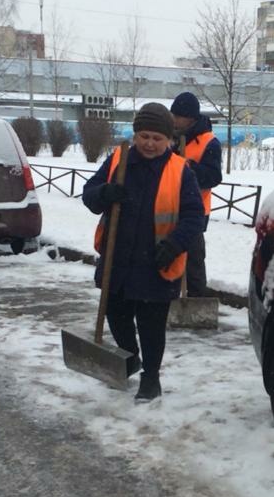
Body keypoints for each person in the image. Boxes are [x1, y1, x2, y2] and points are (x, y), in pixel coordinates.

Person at [82, 102, 205, 403]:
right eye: (144, 136)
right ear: (135, 135)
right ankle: (130, 357)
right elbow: (89, 193)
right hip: (118, 259)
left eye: (157, 138)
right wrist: (104, 193)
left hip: (157, 262)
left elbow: (194, 216)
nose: (150, 144)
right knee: (116, 315)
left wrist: (175, 244)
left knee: (151, 326)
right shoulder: (119, 160)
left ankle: (151, 378)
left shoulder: (180, 170)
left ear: (169, 140)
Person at [169, 91, 223, 296]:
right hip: (167, 208)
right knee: (168, 255)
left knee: (193, 261)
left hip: (195, 211)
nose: (174, 120)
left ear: (190, 118)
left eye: (178, 116)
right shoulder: (169, 139)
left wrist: (190, 168)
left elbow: (213, 177)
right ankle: (168, 297)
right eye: (173, 115)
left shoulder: (209, 142)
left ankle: (196, 299)